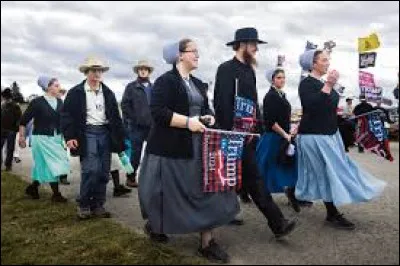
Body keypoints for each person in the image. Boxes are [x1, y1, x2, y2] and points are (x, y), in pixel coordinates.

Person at [139, 39, 238, 264]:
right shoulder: (165, 82)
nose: (197, 55)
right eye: (193, 51)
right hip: (170, 148)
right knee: (166, 194)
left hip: (198, 147)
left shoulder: (198, 83)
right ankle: (157, 225)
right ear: (179, 55)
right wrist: (187, 122)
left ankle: (207, 242)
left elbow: (205, 107)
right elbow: (158, 112)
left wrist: (209, 115)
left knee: (207, 191)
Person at [213, 27, 297, 236]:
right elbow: (222, 103)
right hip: (231, 136)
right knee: (222, 180)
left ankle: (278, 224)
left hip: (248, 136)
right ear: (241, 44)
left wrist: (256, 129)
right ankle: (197, 218)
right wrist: (229, 133)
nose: (256, 49)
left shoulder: (250, 70)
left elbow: (252, 104)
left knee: (254, 178)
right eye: (253, 44)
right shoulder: (225, 69)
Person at [296, 49, 386, 230]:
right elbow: (312, 106)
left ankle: (300, 194)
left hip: (330, 134)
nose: (328, 63)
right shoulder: (306, 83)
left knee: (337, 169)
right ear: (313, 64)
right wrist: (328, 85)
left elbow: (330, 108)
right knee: (325, 173)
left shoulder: (322, 83)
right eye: (323, 60)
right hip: (314, 136)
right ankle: (332, 213)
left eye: (328, 59)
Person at [61, 56, 125, 220]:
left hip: (105, 133)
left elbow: (116, 117)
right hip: (86, 133)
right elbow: (66, 116)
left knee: (104, 171)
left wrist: (120, 139)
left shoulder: (108, 92)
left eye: (99, 70)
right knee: (90, 169)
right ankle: (83, 204)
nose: (97, 73)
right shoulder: (76, 92)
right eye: (93, 70)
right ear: (86, 72)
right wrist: (69, 136)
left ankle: (98, 205)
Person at [256, 67, 300, 212]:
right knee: (266, 168)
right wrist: (285, 134)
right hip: (273, 138)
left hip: (283, 136)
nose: (282, 80)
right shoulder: (270, 96)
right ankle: (256, 194)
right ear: (272, 80)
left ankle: (291, 192)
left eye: (283, 77)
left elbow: (283, 118)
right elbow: (270, 121)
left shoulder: (281, 95)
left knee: (287, 164)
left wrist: (290, 131)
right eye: (279, 77)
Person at [19, 76, 70, 202]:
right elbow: (23, 121)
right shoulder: (37, 102)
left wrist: (65, 137)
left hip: (56, 138)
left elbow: (63, 122)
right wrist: (21, 137)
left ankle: (33, 188)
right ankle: (56, 195)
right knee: (53, 165)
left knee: (42, 166)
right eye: (56, 85)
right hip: (41, 138)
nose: (59, 88)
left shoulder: (60, 102)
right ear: (48, 87)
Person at [121, 60, 154, 188]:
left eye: (145, 69)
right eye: (140, 69)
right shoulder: (131, 87)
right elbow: (124, 105)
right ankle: (131, 177)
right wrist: (134, 119)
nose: (143, 70)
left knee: (153, 153)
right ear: (138, 71)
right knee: (135, 153)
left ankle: (150, 178)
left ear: (149, 71)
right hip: (136, 127)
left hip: (151, 127)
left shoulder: (153, 87)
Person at [1, 88, 22, 171]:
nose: (5, 99)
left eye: (5, 97)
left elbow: (19, 118)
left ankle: (8, 165)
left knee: (10, 148)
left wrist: (15, 129)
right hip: (2, 129)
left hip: (11, 130)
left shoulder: (15, 106)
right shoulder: (2, 105)